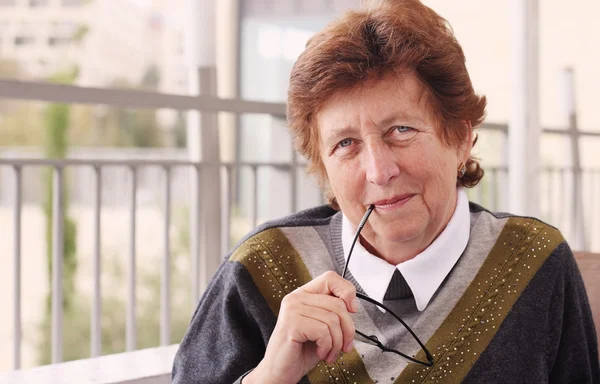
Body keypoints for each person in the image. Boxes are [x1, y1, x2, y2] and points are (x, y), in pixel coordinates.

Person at [172, 0, 600, 383]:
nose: (378, 170)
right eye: (345, 144)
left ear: (461, 139)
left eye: (401, 130)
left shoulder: (534, 263)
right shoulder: (262, 269)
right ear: (323, 167)